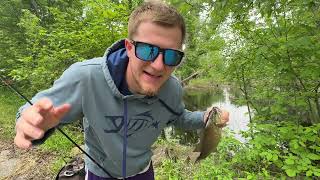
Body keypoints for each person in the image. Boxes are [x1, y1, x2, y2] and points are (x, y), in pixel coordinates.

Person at [14, 1, 229, 179]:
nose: (158, 65)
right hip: (99, 173)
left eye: (171, 55)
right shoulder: (86, 77)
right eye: (147, 50)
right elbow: (32, 114)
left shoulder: (171, 87)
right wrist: (32, 125)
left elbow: (177, 117)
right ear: (129, 47)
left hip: (143, 172)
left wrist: (205, 118)